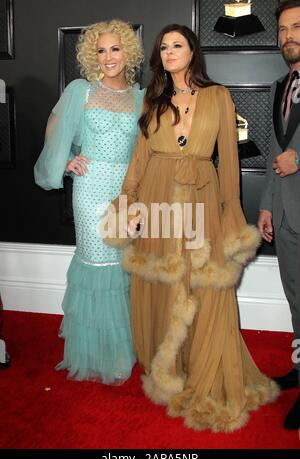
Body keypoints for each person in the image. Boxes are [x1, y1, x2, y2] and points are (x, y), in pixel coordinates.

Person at [105, 24, 279, 431]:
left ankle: (202, 364)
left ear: (192, 50)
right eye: (163, 47)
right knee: (165, 281)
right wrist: (128, 203)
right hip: (157, 193)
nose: (168, 52)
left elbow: (230, 163)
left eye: (177, 45)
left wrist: (230, 213)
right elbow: (139, 157)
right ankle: (169, 363)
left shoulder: (218, 96)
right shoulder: (153, 98)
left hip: (200, 195)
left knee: (201, 283)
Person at [34, 20, 144, 384]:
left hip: (124, 193)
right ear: (91, 56)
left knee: (121, 269)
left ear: (127, 52)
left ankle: (121, 349)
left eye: (115, 48)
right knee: (98, 266)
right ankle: (96, 353)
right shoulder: (81, 90)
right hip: (90, 189)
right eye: (101, 50)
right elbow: (54, 127)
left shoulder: (140, 97)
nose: (108, 57)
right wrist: (65, 161)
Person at [258, 0, 300, 430]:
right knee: (297, 300)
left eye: (298, 27)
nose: (288, 35)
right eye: (284, 29)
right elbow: (274, 153)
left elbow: (291, 155)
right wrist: (267, 205)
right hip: (286, 215)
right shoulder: (278, 86)